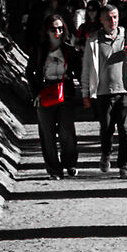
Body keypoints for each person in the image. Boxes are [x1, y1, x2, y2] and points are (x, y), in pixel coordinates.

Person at [81, 1, 127, 177]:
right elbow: (86, 68)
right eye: (109, 18)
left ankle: (124, 166)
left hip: (126, 90)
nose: (113, 21)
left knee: (126, 130)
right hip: (103, 93)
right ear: (101, 20)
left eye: (115, 17)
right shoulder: (93, 40)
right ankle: (106, 153)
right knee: (106, 129)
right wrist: (85, 94)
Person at [28, 15, 80, 178]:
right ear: (47, 31)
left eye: (60, 28)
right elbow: (30, 72)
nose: (57, 32)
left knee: (67, 132)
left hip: (65, 92)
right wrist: (35, 93)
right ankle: (54, 170)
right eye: (53, 29)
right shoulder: (39, 50)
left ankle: (70, 163)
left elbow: (79, 71)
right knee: (47, 134)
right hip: (46, 91)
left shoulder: (69, 50)